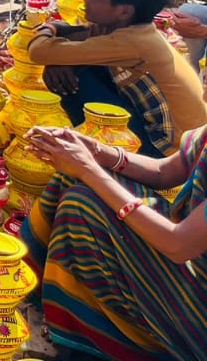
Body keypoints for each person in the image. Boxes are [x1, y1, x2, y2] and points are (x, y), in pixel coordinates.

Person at [21, 122, 207, 361]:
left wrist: (87, 168)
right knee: (71, 179)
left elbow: (178, 245)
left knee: (83, 202)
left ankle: (99, 339)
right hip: (184, 253)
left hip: (197, 304)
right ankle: (28, 292)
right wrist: (95, 150)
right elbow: (164, 172)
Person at [29, 0, 207, 157]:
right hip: (184, 141)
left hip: (168, 151)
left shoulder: (133, 42)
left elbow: (39, 51)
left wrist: (51, 28)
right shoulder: (136, 30)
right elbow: (81, 38)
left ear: (124, 12)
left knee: (63, 73)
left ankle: (94, 150)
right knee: (69, 64)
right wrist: (61, 52)